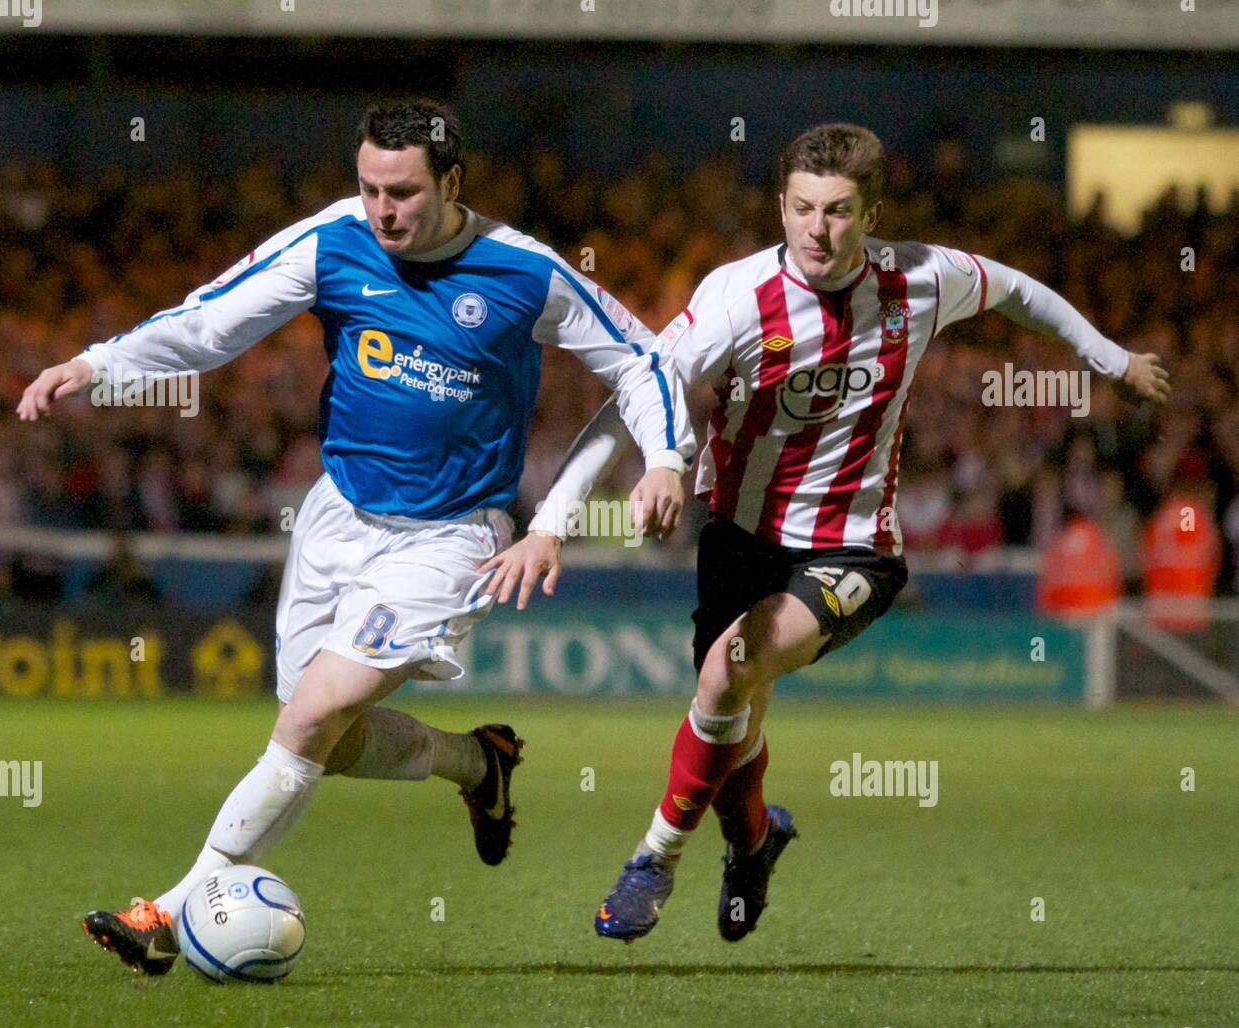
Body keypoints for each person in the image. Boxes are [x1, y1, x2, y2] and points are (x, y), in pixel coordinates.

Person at [17, 99, 690, 974]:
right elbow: (213, 320)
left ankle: (168, 912)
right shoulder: (337, 239)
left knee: (312, 716)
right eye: (370, 188)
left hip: (449, 538)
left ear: (452, 183)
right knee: (317, 741)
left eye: (403, 192)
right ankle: (476, 762)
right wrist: (98, 363)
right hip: (335, 520)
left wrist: (664, 459)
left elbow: (642, 361)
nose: (384, 210)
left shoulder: (524, 272)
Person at [486, 122, 1172, 943]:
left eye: (841, 210)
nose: (819, 228)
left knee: (726, 672)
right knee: (734, 709)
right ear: (781, 205)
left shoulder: (922, 277)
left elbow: (1019, 288)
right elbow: (634, 396)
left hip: (854, 549)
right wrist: (555, 521)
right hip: (739, 536)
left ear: (872, 211)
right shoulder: (737, 299)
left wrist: (1107, 358)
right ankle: (753, 840)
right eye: (804, 208)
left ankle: (653, 860)